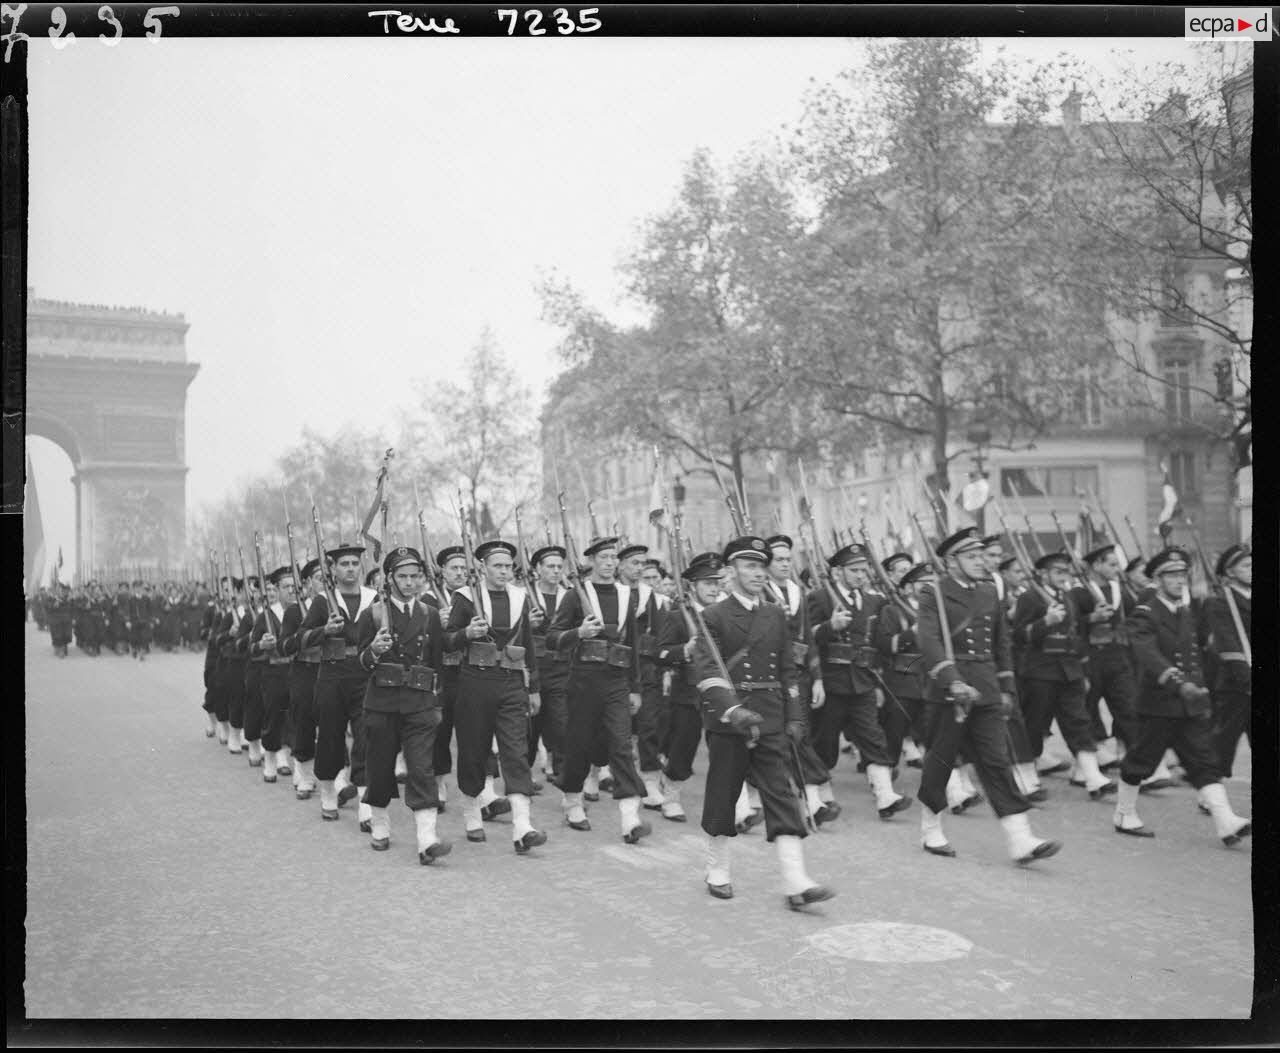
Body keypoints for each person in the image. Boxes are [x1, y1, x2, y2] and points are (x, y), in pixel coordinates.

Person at [693, 535, 835, 910]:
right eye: (749, 566)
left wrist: (794, 716)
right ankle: (718, 869)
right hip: (731, 721)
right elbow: (708, 673)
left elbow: (789, 670)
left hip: (771, 717)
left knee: (782, 795)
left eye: (761, 566)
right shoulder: (713, 616)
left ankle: (796, 882)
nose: (757, 572)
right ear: (730, 572)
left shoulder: (775, 614)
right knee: (723, 796)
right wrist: (733, 709)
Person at [916, 527, 1062, 865]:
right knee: (940, 763)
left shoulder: (987, 592)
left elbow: (1001, 643)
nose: (981, 562)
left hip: (985, 690)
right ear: (951, 562)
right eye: (972, 557)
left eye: (982, 556)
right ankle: (930, 828)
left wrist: (1006, 687)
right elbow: (929, 641)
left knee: (996, 762)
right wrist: (951, 680)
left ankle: (1020, 839)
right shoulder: (933, 593)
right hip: (950, 693)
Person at [1112, 548, 1251, 847]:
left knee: (1204, 761)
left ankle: (1226, 822)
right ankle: (1124, 813)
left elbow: (1199, 650)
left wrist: (1201, 687)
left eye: (1182, 574)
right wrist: (1177, 682)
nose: (1179, 580)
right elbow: (1148, 654)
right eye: (1171, 575)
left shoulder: (1187, 611)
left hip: (1189, 703)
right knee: (1141, 761)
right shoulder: (1146, 613)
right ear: (1157, 581)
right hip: (1158, 703)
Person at [545, 536, 651, 843]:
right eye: (603, 557)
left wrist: (635, 687)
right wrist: (579, 632)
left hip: (616, 680)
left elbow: (631, 642)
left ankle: (630, 817)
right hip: (583, 679)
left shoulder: (624, 594)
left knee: (621, 743)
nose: (609, 562)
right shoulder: (576, 595)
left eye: (612, 557)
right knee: (579, 743)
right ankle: (573, 798)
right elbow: (553, 637)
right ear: (591, 561)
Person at [445, 539, 547, 853]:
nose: (504, 572)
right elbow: (446, 641)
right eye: (497, 566)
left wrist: (533, 688)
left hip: (512, 682)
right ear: (483, 568)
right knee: (474, 751)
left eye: (508, 566)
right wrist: (467, 634)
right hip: (475, 681)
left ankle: (522, 826)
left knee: (516, 752)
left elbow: (529, 645)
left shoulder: (520, 597)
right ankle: (472, 812)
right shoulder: (465, 598)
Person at [358, 546, 452, 864]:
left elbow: (438, 662)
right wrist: (373, 650)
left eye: (415, 576)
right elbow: (360, 662)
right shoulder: (373, 614)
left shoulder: (430, 614)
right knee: (381, 767)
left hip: (420, 704)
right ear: (390, 578)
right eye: (403, 576)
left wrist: (436, 704)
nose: (410, 583)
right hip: (383, 703)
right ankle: (381, 822)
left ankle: (427, 838)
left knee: (422, 768)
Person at [807, 543, 911, 819]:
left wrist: (876, 682)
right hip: (831, 682)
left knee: (873, 737)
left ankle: (885, 795)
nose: (860, 576)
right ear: (838, 571)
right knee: (824, 741)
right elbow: (806, 638)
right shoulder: (819, 598)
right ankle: (820, 797)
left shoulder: (874, 601)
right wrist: (830, 627)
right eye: (854, 570)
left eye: (864, 570)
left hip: (862, 681)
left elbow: (876, 644)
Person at [1012, 552, 1115, 801]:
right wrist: (1045, 622)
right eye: (1058, 572)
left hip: (1069, 670)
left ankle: (1092, 777)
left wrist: (1083, 670)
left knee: (1079, 721)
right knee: (1035, 724)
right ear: (1043, 574)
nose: (1064, 577)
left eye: (1066, 572)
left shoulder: (1068, 598)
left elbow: (1076, 633)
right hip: (1040, 671)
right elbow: (1018, 635)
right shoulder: (1030, 597)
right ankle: (1025, 778)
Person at [296, 542, 375, 823]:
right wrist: (324, 630)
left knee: (366, 737)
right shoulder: (322, 601)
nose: (351, 569)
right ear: (334, 569)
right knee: (330, 736)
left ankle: (367, 801)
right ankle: (328, 790)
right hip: (332, 675)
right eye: (344, 564)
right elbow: (301, 638)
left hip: (365, 676)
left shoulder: (374, 598)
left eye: (355, 563)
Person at [765, 535, 841, 825]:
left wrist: (818, 679)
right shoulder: (761, 594)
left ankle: (812, 803)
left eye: (788, 559)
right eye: (779, 560)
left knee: (800, 734)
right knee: (784, 739)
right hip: (771, 677)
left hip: (800, 676)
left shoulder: (796, 592)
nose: (785, 564)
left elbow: (808, 639)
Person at [654, 551, 723, 822]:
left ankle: (737, 804)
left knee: (727, 749)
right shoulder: (676, 615)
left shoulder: (725, 613)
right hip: (689, 693)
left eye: (717, 583)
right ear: (693, 586)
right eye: (708, 583)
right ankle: (671, 794)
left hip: (722, 691)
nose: (714, 588)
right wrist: (684, 649)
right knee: (684, 746)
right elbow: (660, 653)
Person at [614, 542, 667, 811]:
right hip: (614, 669)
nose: (638, 569)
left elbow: (660, 635)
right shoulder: (611, 592)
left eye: (642, 564)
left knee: (649, 726)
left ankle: (650, 780)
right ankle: (597, 771)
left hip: (645, 669)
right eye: (634, 563)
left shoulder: (649, 597)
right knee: (614, 728)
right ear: (620, 565)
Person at [1205, 545, 1251, 780]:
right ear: (1230, 572)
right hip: (1237, 683)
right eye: (1246, 566)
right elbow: (1228, 643)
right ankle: (1211, 788)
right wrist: (1247, 676)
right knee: (1224, 740)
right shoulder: (1221, 602)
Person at [527, 544, 571, 786]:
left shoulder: (570, 595)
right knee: (530, 727)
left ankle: (567, 780)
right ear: (538, 569)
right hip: (532, 668)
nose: (555, 571)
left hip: (562, 668)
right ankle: (524, 776)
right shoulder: (524, 595)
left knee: (562, 724)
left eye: (559, 567)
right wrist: (526, 623)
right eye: (550, 566)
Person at [280, 558, 324, 799]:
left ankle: (335, 777)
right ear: (307, 583)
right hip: (305, 671)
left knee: (332, 725)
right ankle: (305, 773)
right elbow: (284, 645)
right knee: (304, 724)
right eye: (319, 577)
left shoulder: (334, 606)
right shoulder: (296, 611)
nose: (325, 582)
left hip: (330, 670)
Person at [250, 567, 297, 782]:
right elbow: (251, 648)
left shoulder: (302, 612)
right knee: (274, 715)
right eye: (285, 587)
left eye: (293, 586)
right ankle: (270, 757)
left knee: (296, 718)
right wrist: (262, 644)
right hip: (274, 672)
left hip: (297, 670)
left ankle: (289, 759)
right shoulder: (266, 615)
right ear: (276, 590)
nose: (291, 590)